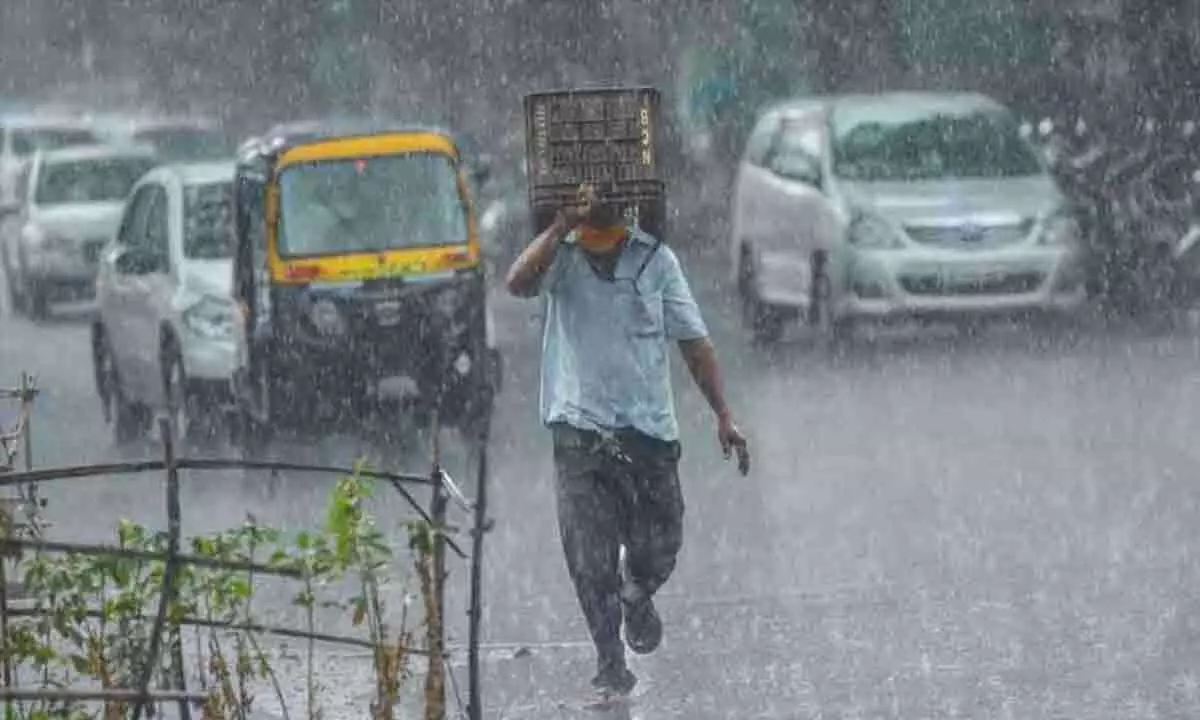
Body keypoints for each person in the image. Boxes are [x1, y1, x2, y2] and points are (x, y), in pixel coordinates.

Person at [505, 184, 751, 697]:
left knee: (661, 543)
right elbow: (518, 282)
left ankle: (636, 591)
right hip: (580, 435)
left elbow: (695, 342)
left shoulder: (657, 261)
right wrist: (558, 227)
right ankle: (610, 663)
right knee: (588, 559)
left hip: (648, 435)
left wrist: (723, 414)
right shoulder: (563, 258)